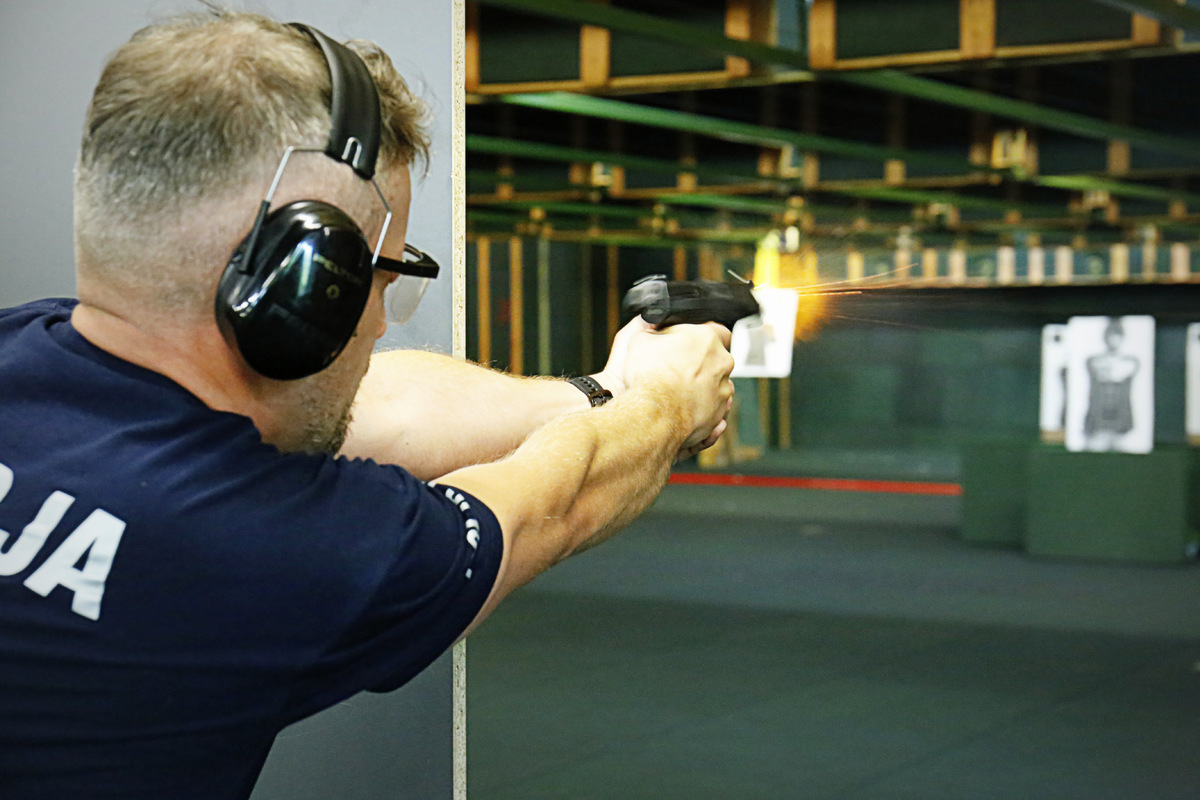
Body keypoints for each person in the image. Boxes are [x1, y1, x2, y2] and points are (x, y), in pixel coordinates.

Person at [0, 11, 734, 798]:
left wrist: (605, 390)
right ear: (302, 283)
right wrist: (664, 399)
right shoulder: (260, 545)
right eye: (379, 279)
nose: (379, 324)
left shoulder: (26, 344)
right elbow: (549, 507)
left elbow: (381, 412)